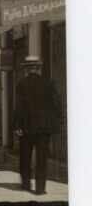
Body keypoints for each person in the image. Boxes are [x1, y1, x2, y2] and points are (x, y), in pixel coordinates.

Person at [13, 55, 61, 195]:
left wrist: (17, 126)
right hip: (44, 128)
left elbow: (19, 107)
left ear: (26, 69)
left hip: (26, 127)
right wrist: (55, 121)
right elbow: (57, 105)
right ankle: (40, 188)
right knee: (42, 159)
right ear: (39, 68)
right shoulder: (49, 83)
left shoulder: (21, 84)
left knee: (25, 157)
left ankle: (26, 184)